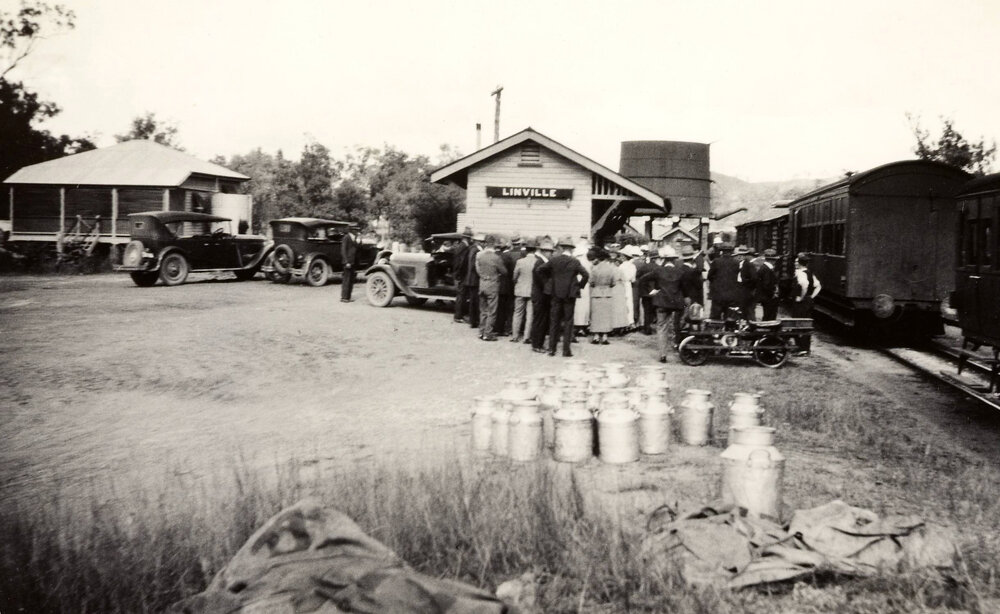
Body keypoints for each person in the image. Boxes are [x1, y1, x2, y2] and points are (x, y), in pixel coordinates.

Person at [539, 236, 590, 357]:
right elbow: (586, 275)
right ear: (571, 249)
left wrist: (548, 282)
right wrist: (578, 286)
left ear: (561, 248)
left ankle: (552, 349)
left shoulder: (554, 260)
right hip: (569, 295)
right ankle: (566, 350)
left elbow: (539, 270)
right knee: (568, 321)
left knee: (554, 321)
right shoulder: (575, 261)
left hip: (555, 293)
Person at [637, 246, 685, 363]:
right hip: (676, 303)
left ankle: (663, 354)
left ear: (663, 259)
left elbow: (642, 279)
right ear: (674, 260)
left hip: (661, 302)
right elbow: (683, 288)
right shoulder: (680, 272)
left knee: (662, 327)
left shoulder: (659, 271)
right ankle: (677, 346)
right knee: (676, 324)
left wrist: (653, 291)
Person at [475, 235, 507, 341]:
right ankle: (488, 333)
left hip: (482, 284)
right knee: (492, 311)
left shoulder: (480, 256)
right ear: (493, 244)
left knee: (483, 310)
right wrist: (497, 275)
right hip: (492, 285)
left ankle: (481, 331)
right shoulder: (496, 258)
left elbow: (478, 269)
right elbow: (504, 272)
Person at [792, 253, 821, 356]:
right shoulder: (809, 273)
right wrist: (811, 296)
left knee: (798, 324)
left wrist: (801, 297)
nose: (794, 263)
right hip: (808, 302)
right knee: (805, 324)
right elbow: (818, 286)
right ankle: (804, 348)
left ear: (800, 263)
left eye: (796, 262)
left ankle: (801, 348)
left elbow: (804, 286)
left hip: (801, 303)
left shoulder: (801, 273)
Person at [529, 236, 555, 353]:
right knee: (540, 321)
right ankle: (537, 344)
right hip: (541, 296)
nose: (551, 254)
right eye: (549, 252)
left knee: (541, 320)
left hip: (541, 295)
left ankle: (538, 343)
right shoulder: (540, 263)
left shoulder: (543, 263)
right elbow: (543, 281)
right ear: (544, 251)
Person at [588, 248, 616, 345]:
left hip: (597, 293)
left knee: (596, 315)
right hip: (607, 293)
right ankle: (604, 336)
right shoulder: (610, 269)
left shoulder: (594, 269)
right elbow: (613, 282)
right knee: (606, 315)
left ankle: (596, 336)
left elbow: (591, 282)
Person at [511, 238, 536, 343]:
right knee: (530, 314)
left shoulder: (520, 261)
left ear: (526, 249)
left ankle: (514, 336)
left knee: (517, 313)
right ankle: (526, 337)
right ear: (535, 250)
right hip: (532, 290)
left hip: (520, 289)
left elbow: (514, 277)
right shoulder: (537, 261)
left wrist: (517, 282)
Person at [707, 242, 740, 319]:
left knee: (715, 317)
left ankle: (715, 330)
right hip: (732, 294)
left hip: (718, 294)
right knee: (730, 317)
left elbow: (710, 276)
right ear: (731, 251)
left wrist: (716, 282)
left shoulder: (716, 261)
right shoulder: (736, 263)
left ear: (722, 251)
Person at [679, 244, 704, 331]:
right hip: (693, 298)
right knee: (693, 320)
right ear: (692, 258)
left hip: (681, 297)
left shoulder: (679, 269)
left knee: (682, 318)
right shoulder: (694, 272)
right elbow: (699, 285)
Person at [634, 247, 657, 334]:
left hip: (645, 292)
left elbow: (638, 277)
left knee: (647, 311)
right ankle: (653, 326)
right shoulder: (658, 267)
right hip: (655, 292)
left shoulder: (644, 267)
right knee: (654, 310)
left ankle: (647, 328)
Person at [572, 237, 592, 338]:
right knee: (584, 305)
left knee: (578, 305)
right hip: (584, 284)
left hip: (577, 283)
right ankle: (582, 326)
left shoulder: (575, 259)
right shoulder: (587, 261)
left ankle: (577, 326)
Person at [452, 229, 472, 323]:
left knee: (462, 295)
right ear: (467, 238)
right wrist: (459, 274)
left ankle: (460, 315)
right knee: (461, 295)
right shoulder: (464, 246)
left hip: (461, 274)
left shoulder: (462, 246)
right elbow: (460, 262)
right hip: (462, 274)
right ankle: (458, 316)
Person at [756, 248, 781, 320]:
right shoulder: (767, 269)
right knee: (769, 315)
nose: (776, 261)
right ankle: (767, 330)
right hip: (768, 297)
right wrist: (773, 293)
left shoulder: (765, 268)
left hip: (766, 296)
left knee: (768, 314)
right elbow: (766, 284)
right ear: (772, 260)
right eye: (775, 260)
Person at [465, 233, 484, 328]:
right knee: (474, 301)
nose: (483, 243)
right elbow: (474, 266)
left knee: (474, 300)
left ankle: (474, 320)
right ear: (478, 242)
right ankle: (473, 321)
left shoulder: (473, 249)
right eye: (482, 242)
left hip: (472, 279)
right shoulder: (475, 250)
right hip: (474, 279)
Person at [735, 245, 757, 320]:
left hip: (746, 290)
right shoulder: (738, 264)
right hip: (739, 289)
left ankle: (751, 325)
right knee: (741, 309)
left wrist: (747, 285)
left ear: (745, 256)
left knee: (748, 310)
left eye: (742, 255)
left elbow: (754, 278)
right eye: (739, 255)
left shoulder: (748, 265)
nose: (740, 257)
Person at [340, 225, 359, 302]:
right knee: (346, 280)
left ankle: (348, 297)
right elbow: (343, 250)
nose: (357, 231)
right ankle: (344, 297)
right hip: (348, 262)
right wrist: (346, 261)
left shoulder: (354, 238)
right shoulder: (346, 238)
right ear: (351, 230)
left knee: (351, 280)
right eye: (355, 230)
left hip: (353, 262)